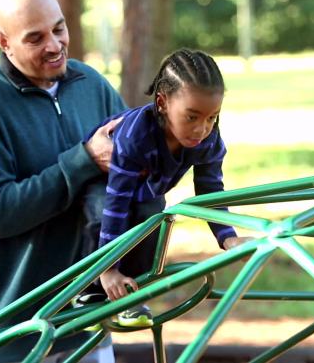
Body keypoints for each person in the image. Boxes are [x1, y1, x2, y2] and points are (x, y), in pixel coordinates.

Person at [0, 0, 125, 362]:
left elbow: (132, 175)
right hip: (11, 336)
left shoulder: (91, 85)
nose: (55, 45)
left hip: (86, 326)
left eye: (59, 28)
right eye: (35, 38)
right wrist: (83, 160)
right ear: (4, 43)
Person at [76, 48, 253, 328]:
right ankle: (88, 290)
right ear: (162, 103)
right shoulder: (136, 137)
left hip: (143, 188)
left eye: (212, 117)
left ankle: (132, 295)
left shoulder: (207, 140)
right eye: (192, 117)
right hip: (103, 181)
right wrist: (107, 270)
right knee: (103, 214)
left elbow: (210, 191)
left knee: (155, 213)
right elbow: (116, 202)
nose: (201, 129)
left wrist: (227, 238)